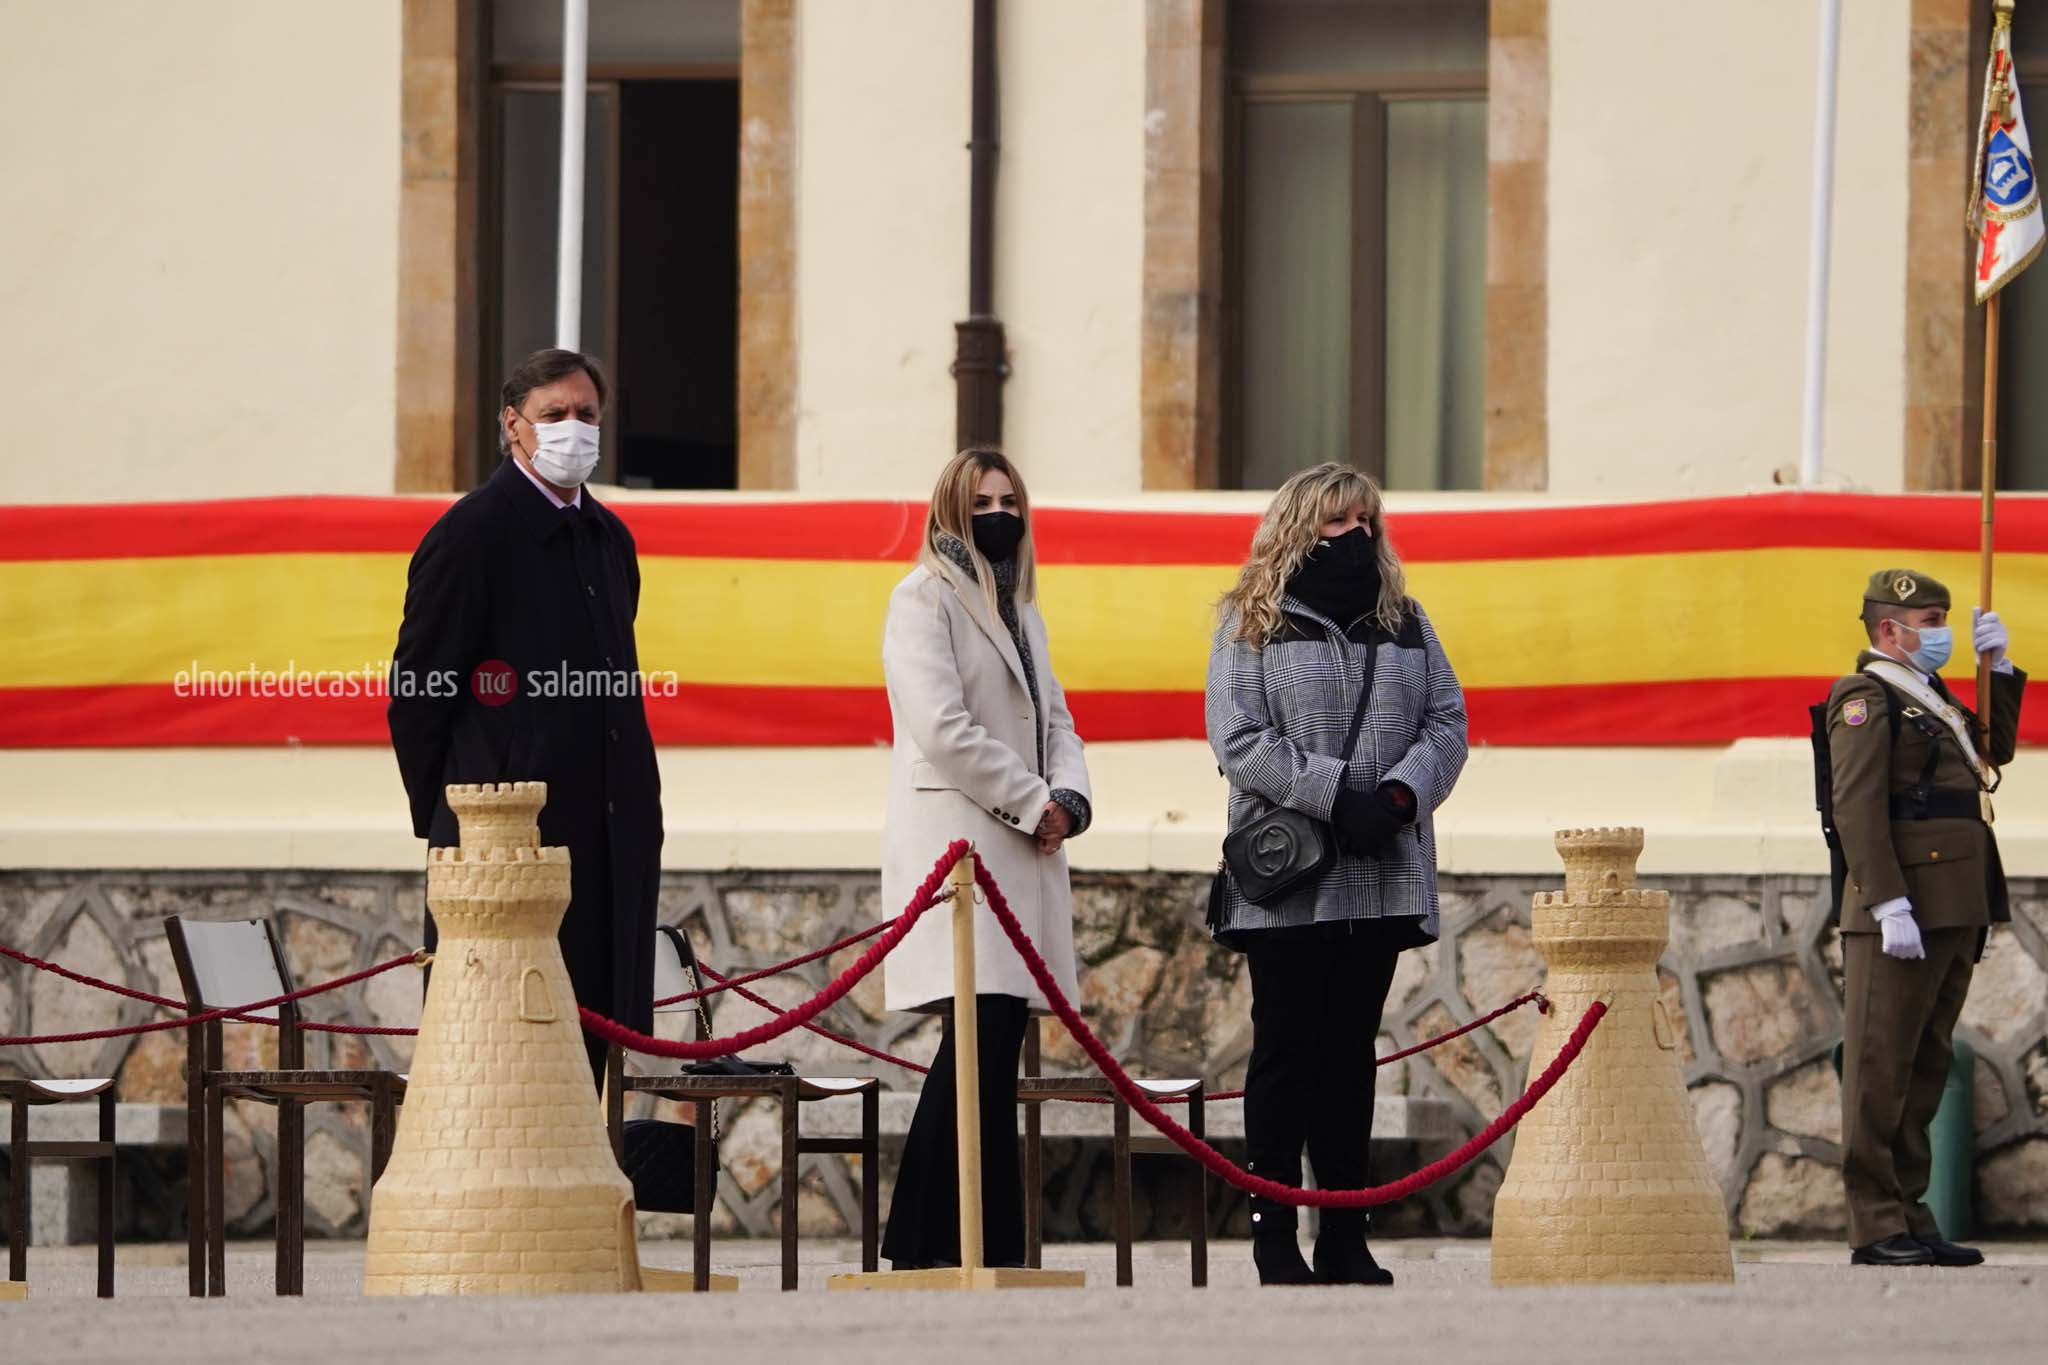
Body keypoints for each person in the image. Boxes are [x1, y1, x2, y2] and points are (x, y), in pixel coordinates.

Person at [1205, 462, 1468, 1287]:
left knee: (1352, 1053)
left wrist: (1398, 793)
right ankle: (1273, 1230)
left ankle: (1346, 1236)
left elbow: (1448, 721)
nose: (1354, 533)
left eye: (1365, 519)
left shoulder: (1407, 620)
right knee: (1285, 1050)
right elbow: (1237, 738)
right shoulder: (1249, 620)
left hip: (1379, 865)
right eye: (1336, 520)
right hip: (1291, 871)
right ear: (1298, 525)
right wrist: (1333, 791)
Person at [387, 348, 664, 1088]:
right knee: (503, 1079)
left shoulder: (610, 540)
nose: (573, 429)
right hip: (511, 853)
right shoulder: (472, 534)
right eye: (553, 416)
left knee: (594, 1070)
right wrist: (456, 826)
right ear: (514, 427)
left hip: (606, 843)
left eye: (586, 414)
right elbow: (419, 692)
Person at [877, 447, 1092, 1270]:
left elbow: (1057, 720)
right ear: (950, 509)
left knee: (994, 1046)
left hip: (1022, 852)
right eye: (982, 500)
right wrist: (1033, 798)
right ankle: (929, 1245)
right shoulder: (921, 598)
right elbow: (943, 726)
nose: (999, 513)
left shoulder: (1023, 612)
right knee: (974, 1039)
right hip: (963, 853)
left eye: (1010, 499)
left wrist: (1069, 798)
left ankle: (982, 1243)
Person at [1826, 570, 2022, 1268]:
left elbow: (1991, 750)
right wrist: (1884, 900)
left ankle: (1910, 1212)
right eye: (1930, 619)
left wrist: (1996, 670)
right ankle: (1874, 1223)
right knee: (1880, 1068)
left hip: (1952, 901)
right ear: (1889, 629)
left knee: (1924, 1064)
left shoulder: (1931, 695)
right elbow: (1856, 806)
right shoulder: (1866, 696)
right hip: (1901, 905)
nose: (1939, 632)